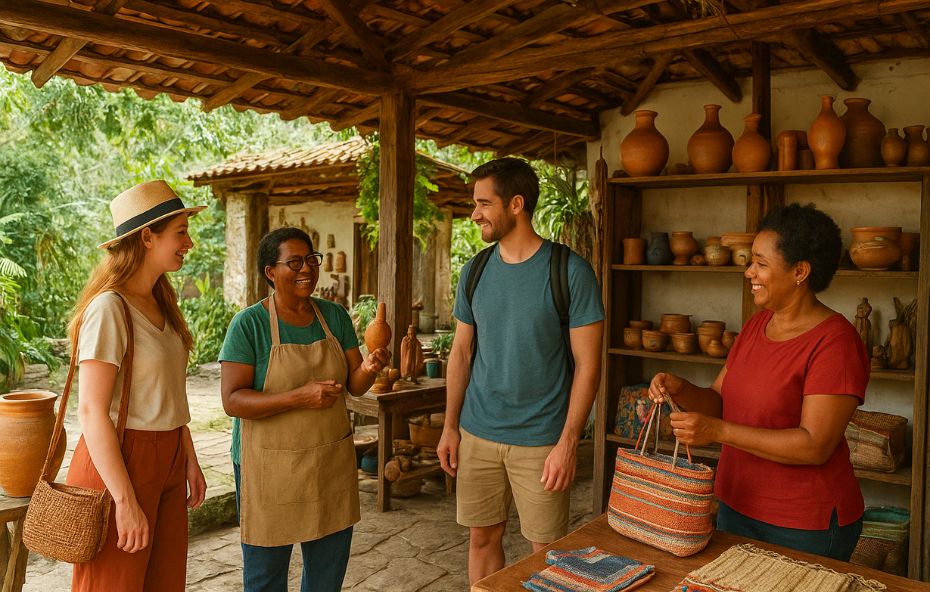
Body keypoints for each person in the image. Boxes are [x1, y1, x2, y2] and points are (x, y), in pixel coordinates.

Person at [649, 203, 869, 561]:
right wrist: (681, 389)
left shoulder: (836, 342)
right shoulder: (756, 325)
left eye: (761, 264)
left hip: (803, 524)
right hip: (738, 505)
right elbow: (719, 399)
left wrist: (717, 431)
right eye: (752, 261)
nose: (749, 271)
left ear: (800, 271)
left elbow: (815, 445)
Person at [436, 158, 604, 584]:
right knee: (481, 540)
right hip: (478, 432)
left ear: (515, 204)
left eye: (483, 203)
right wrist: (450, 426)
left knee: (549, 555)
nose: (474, 214)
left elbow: (589, 365)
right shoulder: (474, 271)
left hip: (541, 440)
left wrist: (569, 443)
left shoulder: (570, 272)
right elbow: (460, 353)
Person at [219, 227, 391, 592]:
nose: (307, 269)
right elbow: (233, 400)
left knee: (327, 573)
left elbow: (354, 384)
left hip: (328, 461)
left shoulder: (334, 316)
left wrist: (371, 367)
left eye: (311, 259)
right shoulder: (248, 325)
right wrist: (300, 397)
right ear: (270, 272)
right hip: (268, 468)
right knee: (266, 577)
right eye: (293, 262)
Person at [66, 180, 208, 591]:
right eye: (181, 232)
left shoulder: (162, 302)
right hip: (121, 461)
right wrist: (125, 501)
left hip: (167, 458)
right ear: (147, 237)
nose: (190, 242)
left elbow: (168, 393)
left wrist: (188, 457)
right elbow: (91, 411)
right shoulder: (110, 308)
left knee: (165, 584)